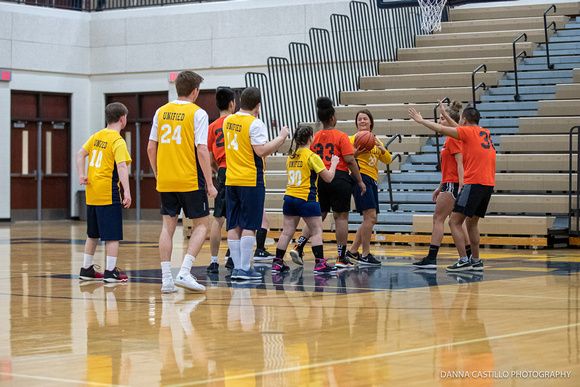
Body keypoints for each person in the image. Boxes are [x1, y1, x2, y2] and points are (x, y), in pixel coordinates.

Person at [148, 70, 218, 293]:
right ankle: (185, 272)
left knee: (168, 227)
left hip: (167, 178)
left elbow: (151, 147)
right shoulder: (198, 113)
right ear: (195, 91)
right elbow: (201, 149)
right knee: (201, 225)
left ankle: (166, 279)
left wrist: (158, 174)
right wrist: (209, 182)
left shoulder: (161, 111)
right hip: (189, 178)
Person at [409, 104, 496, 272]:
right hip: (488, 184)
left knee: (454, 222)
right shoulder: (483, 132)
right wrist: (446, 116)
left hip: (473, 182)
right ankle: (476, 261)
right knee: (472, 224)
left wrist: (421, 121)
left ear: (464, 119)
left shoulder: (462, 135)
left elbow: (441, 129)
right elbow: (459, 129)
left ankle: (464, 260)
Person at [290, 97, 366, 268]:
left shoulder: (314, 137)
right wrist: (360, 181)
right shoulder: (341, 136)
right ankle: (341, 257)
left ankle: (299, 245)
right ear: (332, 117)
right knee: (341, 218)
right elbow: (350, 160)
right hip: (339, 177)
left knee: (318, 217)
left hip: (320, 179)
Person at [223, 87, 289, 281]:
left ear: (240, 101)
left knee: (233, 225)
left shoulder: (228, 120)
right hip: (250, 179)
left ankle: (237, 268)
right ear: (258, 105)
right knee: (250, 224)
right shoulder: (255, 123)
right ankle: (244, 269)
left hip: (231, 178)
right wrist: (281, 137)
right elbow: (260, 151)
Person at [271, 125, 339, 274]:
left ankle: (277, 263)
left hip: (289, 197)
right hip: (306, 198)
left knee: (286, 232)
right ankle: (320, 264)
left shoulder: (291, 156)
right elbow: (328, 178)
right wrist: (333, 164)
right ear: (311, 138)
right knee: (316, 231)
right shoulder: (312, 156)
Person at [77, 102, 131, 283]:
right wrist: (127, 192)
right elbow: (122, 166)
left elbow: (79, 154)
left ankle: (86, 268)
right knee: (112, 235)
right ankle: (110, 271)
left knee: (92, 234)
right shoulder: (117, 140)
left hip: (92, 192)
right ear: (122, 119)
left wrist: (82, 175)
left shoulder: (96, 136)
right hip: (108, 192)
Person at [413, 101, 472, 269]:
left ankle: (432, 258)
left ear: (449, 120)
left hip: (453, 185)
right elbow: (451, 166)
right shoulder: (451, 139)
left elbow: (461, 164)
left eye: (441, 119)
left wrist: (460, 186)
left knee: (438, 219)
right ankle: (469, 257)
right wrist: (440, 186)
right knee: (458, 222)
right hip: (450, 183)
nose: (439, 122)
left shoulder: (453, 139)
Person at [345, 109, 392, 266]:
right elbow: (348, 159)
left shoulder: (376, 140)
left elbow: (388, 160)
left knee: (370, 219)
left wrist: (383, 150)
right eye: (359, 119)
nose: (362, 121)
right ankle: (365, 254)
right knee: (370, 218)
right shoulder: (352, 139)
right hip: (360, 178)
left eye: (365, 119)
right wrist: (356, 153)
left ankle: (352, 252)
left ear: (371, 122)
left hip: (372, 180)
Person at [206, 87, 236, 274]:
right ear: (232, 104)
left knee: (218, 218)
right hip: (238, 171)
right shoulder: (238, 122)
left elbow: (210, 160)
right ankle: (233, 257)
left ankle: (214, 261)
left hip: (223, 171)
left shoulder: (212, 127)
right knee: (237, 217)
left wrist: (220, 169)